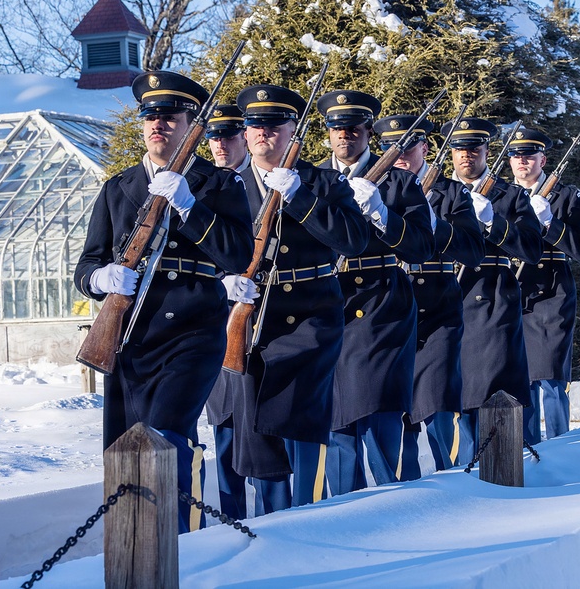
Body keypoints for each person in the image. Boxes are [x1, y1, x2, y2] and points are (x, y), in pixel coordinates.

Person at [73, 71, 253, 533]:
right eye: (150, 116)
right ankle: (135, 549)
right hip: (131, 336)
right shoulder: (119, 187)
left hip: (193, 333)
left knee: (166, 437)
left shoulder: (217, 185)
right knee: (126, 447)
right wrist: (100, 277)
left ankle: (185, 545)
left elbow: (235, 253)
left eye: (170, 117)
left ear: (191, 123)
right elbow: (86, 265)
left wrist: (191, 206)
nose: (158, 124)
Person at [210, 84, 368, 515]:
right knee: (256, 434)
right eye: (255, 125)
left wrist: (300, 196)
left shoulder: (322, 181)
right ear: (244, 132)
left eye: (275, 124)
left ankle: (306, 520)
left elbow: (353, 240)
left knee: (299, 422)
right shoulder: (222, 185)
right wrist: (222, 280)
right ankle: (270, 526)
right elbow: (204, 247)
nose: (264, 133)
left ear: (293, 129)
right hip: (249, 320)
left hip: (309, 322)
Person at [316, 89, 435, 494]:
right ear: (327, 132)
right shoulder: (312, 179)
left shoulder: (399, 182)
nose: (345, 135)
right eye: (337, 128)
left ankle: (389, 503)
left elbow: (422, 246)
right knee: (336, 419)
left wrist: (384, 216)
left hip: (385, 304)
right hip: (329, 303)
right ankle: (343, 507)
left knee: (380, 408)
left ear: (369, 132)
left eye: (354, 128)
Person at [371, 113, 485, 478]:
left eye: (409, 145)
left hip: (437, 311)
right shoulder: (376, 189)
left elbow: (473, 250)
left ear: (425, 147)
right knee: (395, 412)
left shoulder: (450, 193)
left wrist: (437, 227)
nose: (400, 153)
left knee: (438, 404)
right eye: (391, 146)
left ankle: (458, 479)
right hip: (389, 313)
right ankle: (406, 494)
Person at [441, 117, 542, 462]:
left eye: (474, 148)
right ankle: (459, 472)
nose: (466, 155)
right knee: (450, 397)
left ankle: (497, 465)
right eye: (459, 149)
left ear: (487, 151)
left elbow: (532, 248)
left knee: (491, 389)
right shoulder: (436, 192)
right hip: (443, 299)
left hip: (493, 300)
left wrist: (493, 223)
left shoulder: (509, 195)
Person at [509, 126, 580, 444]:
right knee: (522, 379)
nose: (521, 161)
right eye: (516, 156)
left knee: (551, 377)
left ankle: (561, 447)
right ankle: (526, 448)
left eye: (529, 155)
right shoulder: (501, 195)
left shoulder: (566, 196)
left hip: (551, 295)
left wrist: (550, 223)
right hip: (513, 295)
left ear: (542, 159)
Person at [203, 102, 252, 521]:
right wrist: (220, 282)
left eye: (229, 135)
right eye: (212, 137)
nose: (219, 144)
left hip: (275, 319)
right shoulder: (205, 185)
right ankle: (231, 520)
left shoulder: (268, 182)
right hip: (221, 324)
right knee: (224, 428)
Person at [206, 104, 251, 172]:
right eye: (215, 138)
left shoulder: (263, 177)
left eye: (229, 138)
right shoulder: (203, 180)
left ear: (246, 139)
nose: (220, 145)